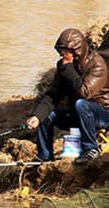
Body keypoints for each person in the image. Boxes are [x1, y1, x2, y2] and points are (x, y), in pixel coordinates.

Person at [27, 28, 109, 164]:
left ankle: (91, 149)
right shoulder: (65, 66)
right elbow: (53, 95)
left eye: (66, 52)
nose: (62, 56)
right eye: (61, 52)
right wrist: (37, 116)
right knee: (47, 116)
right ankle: (44, 157)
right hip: (78, 115)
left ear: (77, 51)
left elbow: (85, 92)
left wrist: (69, 70)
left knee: (81, 104)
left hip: (102, 114)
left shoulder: (97, 65)